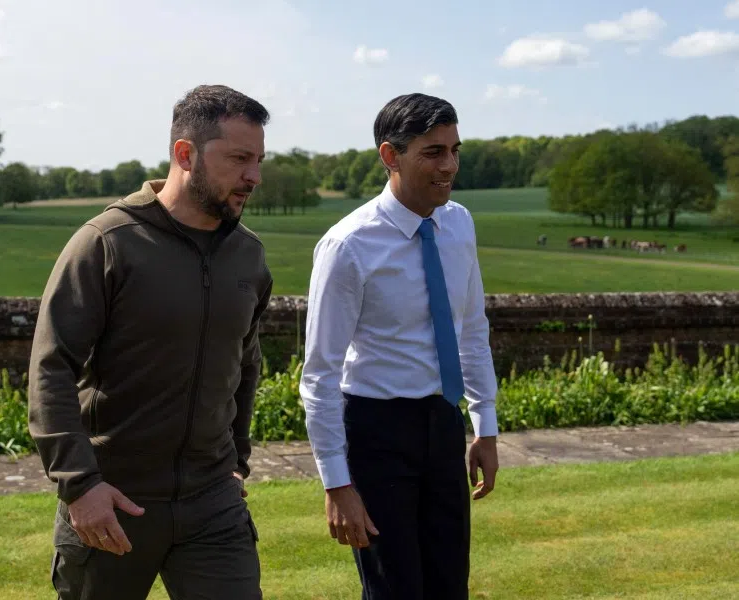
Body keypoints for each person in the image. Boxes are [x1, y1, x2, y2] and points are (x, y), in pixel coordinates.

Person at [27, 84, 273, 599]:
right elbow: (51, 368)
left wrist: (237, 461)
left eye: (259, 160)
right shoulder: (106, 243)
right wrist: (80, 484)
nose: (254, 175)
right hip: (114, 498)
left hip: (213, 502)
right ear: (186, 154)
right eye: (239, 159)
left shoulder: (248, 255)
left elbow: (245, 365)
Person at [299, 93, 500, 599]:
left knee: (450, 586)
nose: (449, 165)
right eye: (433, 152)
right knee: (395, 592)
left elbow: (472, 328)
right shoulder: (348, 246)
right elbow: (320, 374)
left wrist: (485, 426)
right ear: (391, 156)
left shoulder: (460, 224)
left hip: (442, 425)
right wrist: (337, 484)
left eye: (455, 150)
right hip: (375, 433)